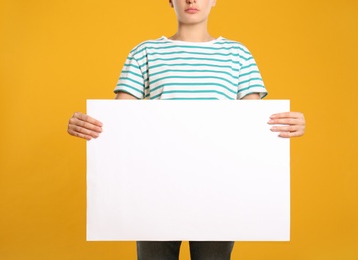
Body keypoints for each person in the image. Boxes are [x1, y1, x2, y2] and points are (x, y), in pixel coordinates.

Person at [68, 0, 306, 259]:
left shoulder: (238, 54)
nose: (192, 0)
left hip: (220, 187)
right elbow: (121, 120)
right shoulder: (145, 52)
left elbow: (253, 122)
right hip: (154, 185)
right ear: (170, 1)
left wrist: (290, 124)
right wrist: (86, 124)